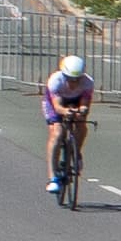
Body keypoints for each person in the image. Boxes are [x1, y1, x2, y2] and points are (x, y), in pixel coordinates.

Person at [43, 52, 94, 193]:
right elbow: (57, 106)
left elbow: (85, 103)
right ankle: (53, 178)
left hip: (75, 99)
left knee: (81, 123)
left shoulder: (87, 82)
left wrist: (82, 110)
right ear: (63, 74)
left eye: (77, 79)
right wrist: (65, 112)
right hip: (55, 102)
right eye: (70, 78)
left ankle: (76, 152)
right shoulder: (55, 81)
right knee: (57, 133)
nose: (73, 82)